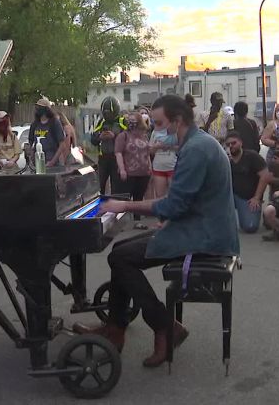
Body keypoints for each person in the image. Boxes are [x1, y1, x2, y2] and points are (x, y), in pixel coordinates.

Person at [72, 94, 239, 368]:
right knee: (119, 251)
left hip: (205, 236)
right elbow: (184, 202)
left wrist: (122, 204)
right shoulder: (196, 142)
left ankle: (163, 326)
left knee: (121, 258)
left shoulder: (196, 149)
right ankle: (115, 329)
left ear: (178, 120)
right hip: (200, 226)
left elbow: (173, 204)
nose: (157, 129)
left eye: (160, 123)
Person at [226, 131, 268, 233]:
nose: (231, 146)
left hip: (249, 198)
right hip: (230, 196)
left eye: (234, 143)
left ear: (241, 142)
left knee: (250, 226)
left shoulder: (252, 156)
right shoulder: (225, 159)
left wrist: (257, 197)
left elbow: (265, 176)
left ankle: (263, 216)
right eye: (228, 144)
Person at [115, 112, 152, 220]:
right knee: (125, 198)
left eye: (134, 121)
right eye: (129, 120)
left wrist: (149, 167)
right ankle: (120, 222)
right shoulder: (123, 136)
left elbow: (147, 153)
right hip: (129, 173)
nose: (131, 123)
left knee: (138, 199)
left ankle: (137, 221)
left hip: (143, 173)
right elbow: (118, 153)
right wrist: (122, 169)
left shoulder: (144, 136)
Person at [91, 96, 127, 194]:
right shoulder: (101, 122)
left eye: (109, 112)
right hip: (103, 159)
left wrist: (115, 136)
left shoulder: (123, 121)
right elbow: (93, 140)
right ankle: (100, 206)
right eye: (105, 112)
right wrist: (100, 137)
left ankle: (116, 207)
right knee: (99, 186)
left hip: (117, 159)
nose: (107, 115)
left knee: (116, 187)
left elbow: (129, 139)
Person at [148, 112, 178, 200]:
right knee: (160, 197)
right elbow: (150, 150)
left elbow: (183, 148)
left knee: (174, 196)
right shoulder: (155, 132)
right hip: (158, 167)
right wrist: (155, 147)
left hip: (174, 167)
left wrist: (167, 146)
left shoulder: (176, 132)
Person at [29, 97, 65, 169]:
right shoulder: (35, 124)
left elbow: (62, 145)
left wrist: (52, 162)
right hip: (38, 163)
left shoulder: (54, 123)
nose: (37, 109)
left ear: (46, 109)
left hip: (53, 164)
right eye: (36, 107)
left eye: (39, 107)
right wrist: (31, 157)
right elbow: (31, 142)